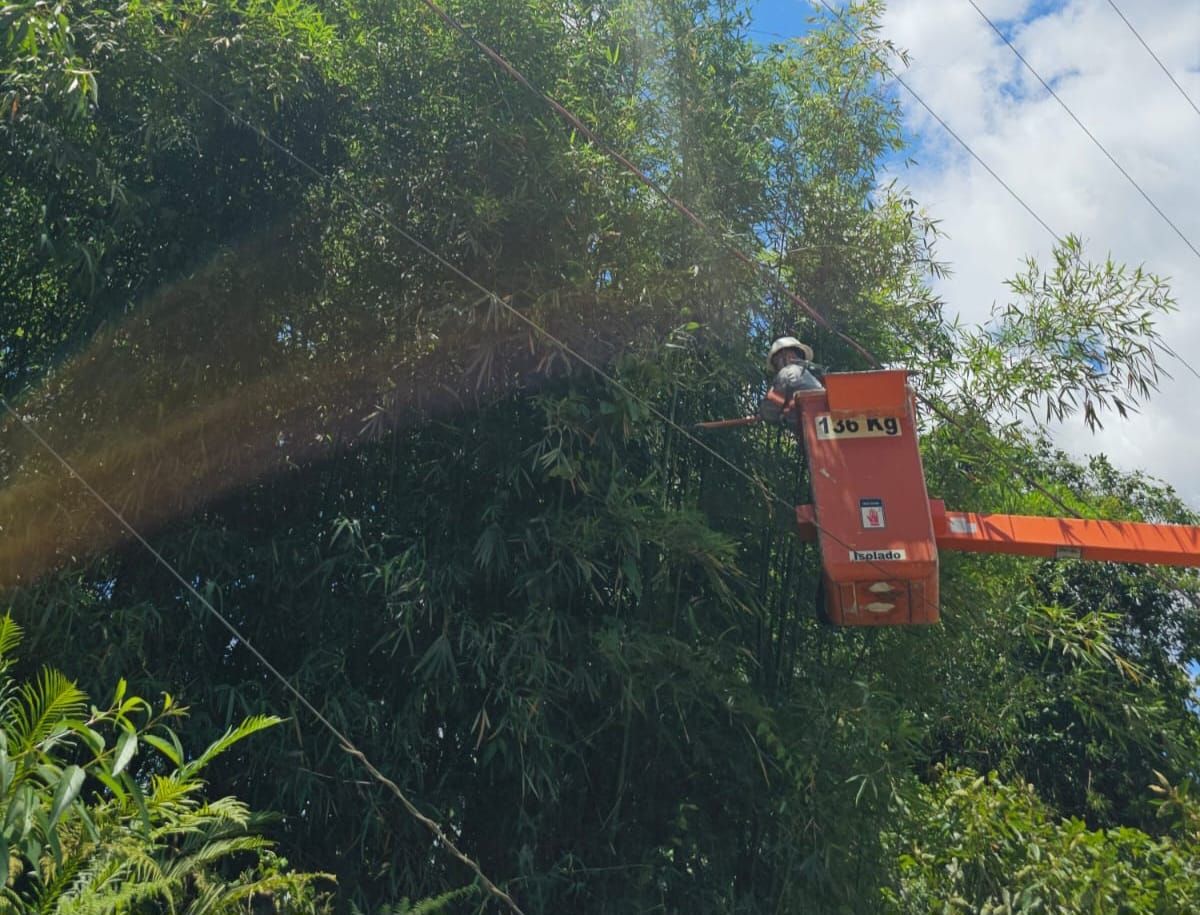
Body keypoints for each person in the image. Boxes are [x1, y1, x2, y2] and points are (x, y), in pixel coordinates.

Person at [759, 336, 823, 425]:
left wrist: (781, 415)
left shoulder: (787, 372)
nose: (777, 367)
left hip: (812, 427)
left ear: (787, 355)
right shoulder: (811, 377)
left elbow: (770, 411)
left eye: (776, 361)